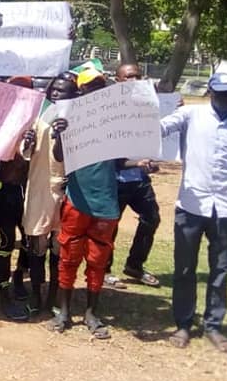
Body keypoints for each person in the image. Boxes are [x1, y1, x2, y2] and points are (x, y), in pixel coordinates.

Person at [162, 72, 227, 353]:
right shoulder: (190, 114)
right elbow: (158, 128)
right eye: (220, 92)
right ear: (210, 91)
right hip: (191, 206)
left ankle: (213, 326)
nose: (225, 98)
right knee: (184, 269)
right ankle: (183, 323)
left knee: (220, 271)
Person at [47, 68, 120, 339]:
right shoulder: (70, 120)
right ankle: (64, 312)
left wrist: (142, 163)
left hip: (106, 203)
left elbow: (123, 159)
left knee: (98, 261)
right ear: (81, 92)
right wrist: (61, 133)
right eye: (89, 88)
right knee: (69, 257)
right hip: (78, 201)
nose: (94, 92)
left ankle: (91, 312)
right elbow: (59, 156)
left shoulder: (116, 122)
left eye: (98, 87)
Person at [103, 63, 162, 288]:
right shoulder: (108, 110)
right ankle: (104, 270)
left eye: (137, 76)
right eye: (128, 77)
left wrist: (149, 164)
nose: (134, 81)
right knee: (110, 226)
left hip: (139, 179)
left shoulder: (148, 108)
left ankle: (135, 265)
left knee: (152, 218)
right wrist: (136, 162)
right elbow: (110, 155)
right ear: (118, 81)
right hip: (114, 180)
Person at [20, 73, 75, 314]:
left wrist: (63, 134)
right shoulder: (38, 119)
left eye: (62, 91)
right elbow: (25, 152)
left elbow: (66, 157)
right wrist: (28, 140)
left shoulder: (79, 122)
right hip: (40, 189)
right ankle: (35, 293)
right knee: (36, 246)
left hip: (65, 192)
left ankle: (54, 294)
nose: (55, 94)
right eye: (53, 89)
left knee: (59, 249)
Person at [0, 76, 33, 321]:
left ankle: (19, 276)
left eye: (26, 90)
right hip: (6, 190)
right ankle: (3, 293)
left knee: (31, 240)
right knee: (6, 242)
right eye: (15, 89)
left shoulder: (40, 121)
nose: (20, 94)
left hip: (31, 191)